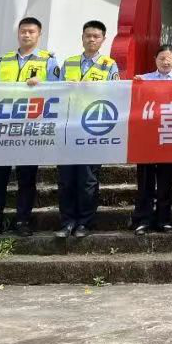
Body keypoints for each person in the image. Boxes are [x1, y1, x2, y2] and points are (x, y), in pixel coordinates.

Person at [0, 16, 60, 238]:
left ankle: (23, 221)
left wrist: (42, 84)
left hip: (30, 127)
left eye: (31, 31)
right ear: (18, 33)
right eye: (23, 31)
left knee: (26, 178)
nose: (26, 35)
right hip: (3, 127)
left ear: (39, 34)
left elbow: (58, 90)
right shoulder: (4, 60)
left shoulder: (48, 61)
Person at [54, 20, 119, 239]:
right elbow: (56, 91)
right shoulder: (69, 62)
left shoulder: (109, 65)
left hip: (93, 128)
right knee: (66, 179)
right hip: (68, 127)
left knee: (88, 178)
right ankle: (67, 222)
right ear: (82, 37)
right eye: (88, 35)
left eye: (96, 36)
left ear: (103, 39)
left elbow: (115, 93)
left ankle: (84, 223)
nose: (91, 39)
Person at [133, 46, 172, 235]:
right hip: (147, 137)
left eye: (169, 58)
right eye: (161, 58)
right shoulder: (145, 79)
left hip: (168, 134)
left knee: (165, 180)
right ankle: (144, 219)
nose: (165, 62)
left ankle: (164, 220)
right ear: (155, 59)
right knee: (145, 180)